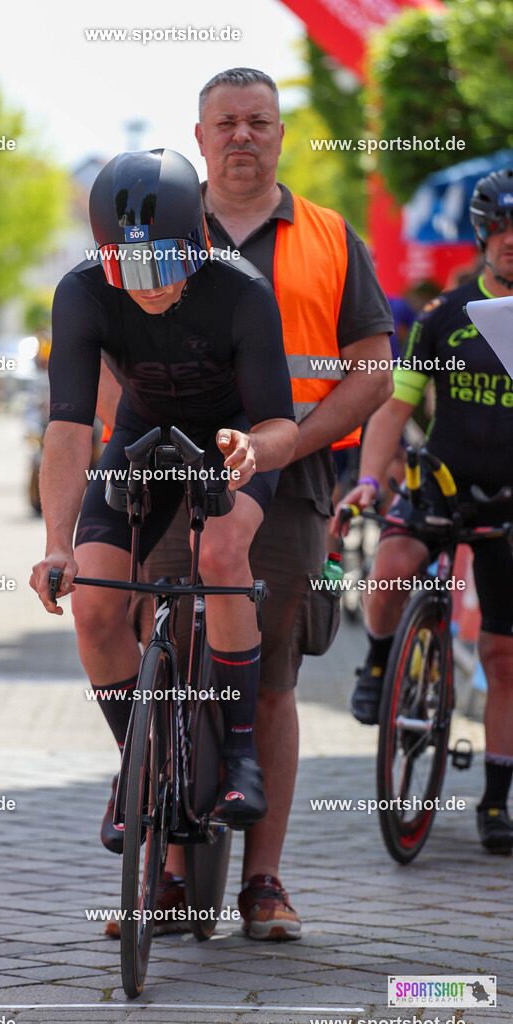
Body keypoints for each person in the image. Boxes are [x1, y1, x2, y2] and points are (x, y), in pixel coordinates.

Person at [98, 68, 395, 940]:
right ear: (197, 139)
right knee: (171, 660)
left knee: (268, 681)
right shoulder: (148, 222)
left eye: (258, 122)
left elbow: (373, 368)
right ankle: (171, 875)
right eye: (224, 123)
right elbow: (107, 357)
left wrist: (283, 445)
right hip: (166, 470)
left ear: (279, 134)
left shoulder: (331, 238)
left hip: (289, 478)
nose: (241, 137)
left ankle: (262, 881)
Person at [30, 146, 298, 848]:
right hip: (144, 435)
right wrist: (57, 541)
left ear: (201, 242)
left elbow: (277, 421)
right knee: (92, 605)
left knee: (220, 548)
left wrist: (254, 451)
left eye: (164, 264)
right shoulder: (82, 292)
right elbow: (66, 428)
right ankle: (139, 764)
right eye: (127, 268)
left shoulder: (242, 290)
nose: (146, 286)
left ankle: (238, 752)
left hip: (235, 436)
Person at [340, 167, 513, 854]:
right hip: (440, 479)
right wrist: (365, 480)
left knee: (502, 657)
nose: (511, 243)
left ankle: (496, 803)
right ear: (481, 233)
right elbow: (396, 405)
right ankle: (379, 663)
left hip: (506, 500)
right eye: (500, 229)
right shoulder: (444, 317)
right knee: (390, 567)